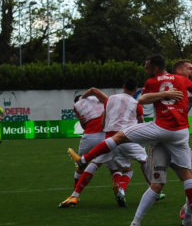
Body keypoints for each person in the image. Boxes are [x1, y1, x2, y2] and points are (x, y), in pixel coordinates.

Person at [67, 54, 192, 226]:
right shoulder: (173, 82)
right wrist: (169, 94)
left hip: (168, 134)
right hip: (168, 139)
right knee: (160, 184)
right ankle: (140, 223)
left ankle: (188, 219)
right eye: (189, 68)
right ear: (178, 70)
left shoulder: (185, 87)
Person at [59, 80, 150, 208]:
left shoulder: (109, 100)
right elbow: (141, 123)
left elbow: (93, 123)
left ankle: (75, 194)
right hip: (124, 137)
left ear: (123, 86)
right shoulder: (135, 104)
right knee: (134, 165)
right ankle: (150, 189)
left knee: (93, 164)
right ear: (136, 90)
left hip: (105, 138)